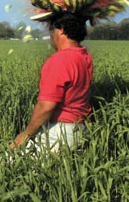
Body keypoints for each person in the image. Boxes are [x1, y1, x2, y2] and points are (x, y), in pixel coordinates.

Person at [10, 12, 92, 153]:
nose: (50, 37)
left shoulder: (59, 60)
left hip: (59, 133)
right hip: (79, 130)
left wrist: (26, 134)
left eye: (51, 31)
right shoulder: (84, 56)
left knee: (7, 164)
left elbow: (46, 106)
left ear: (60, 30)